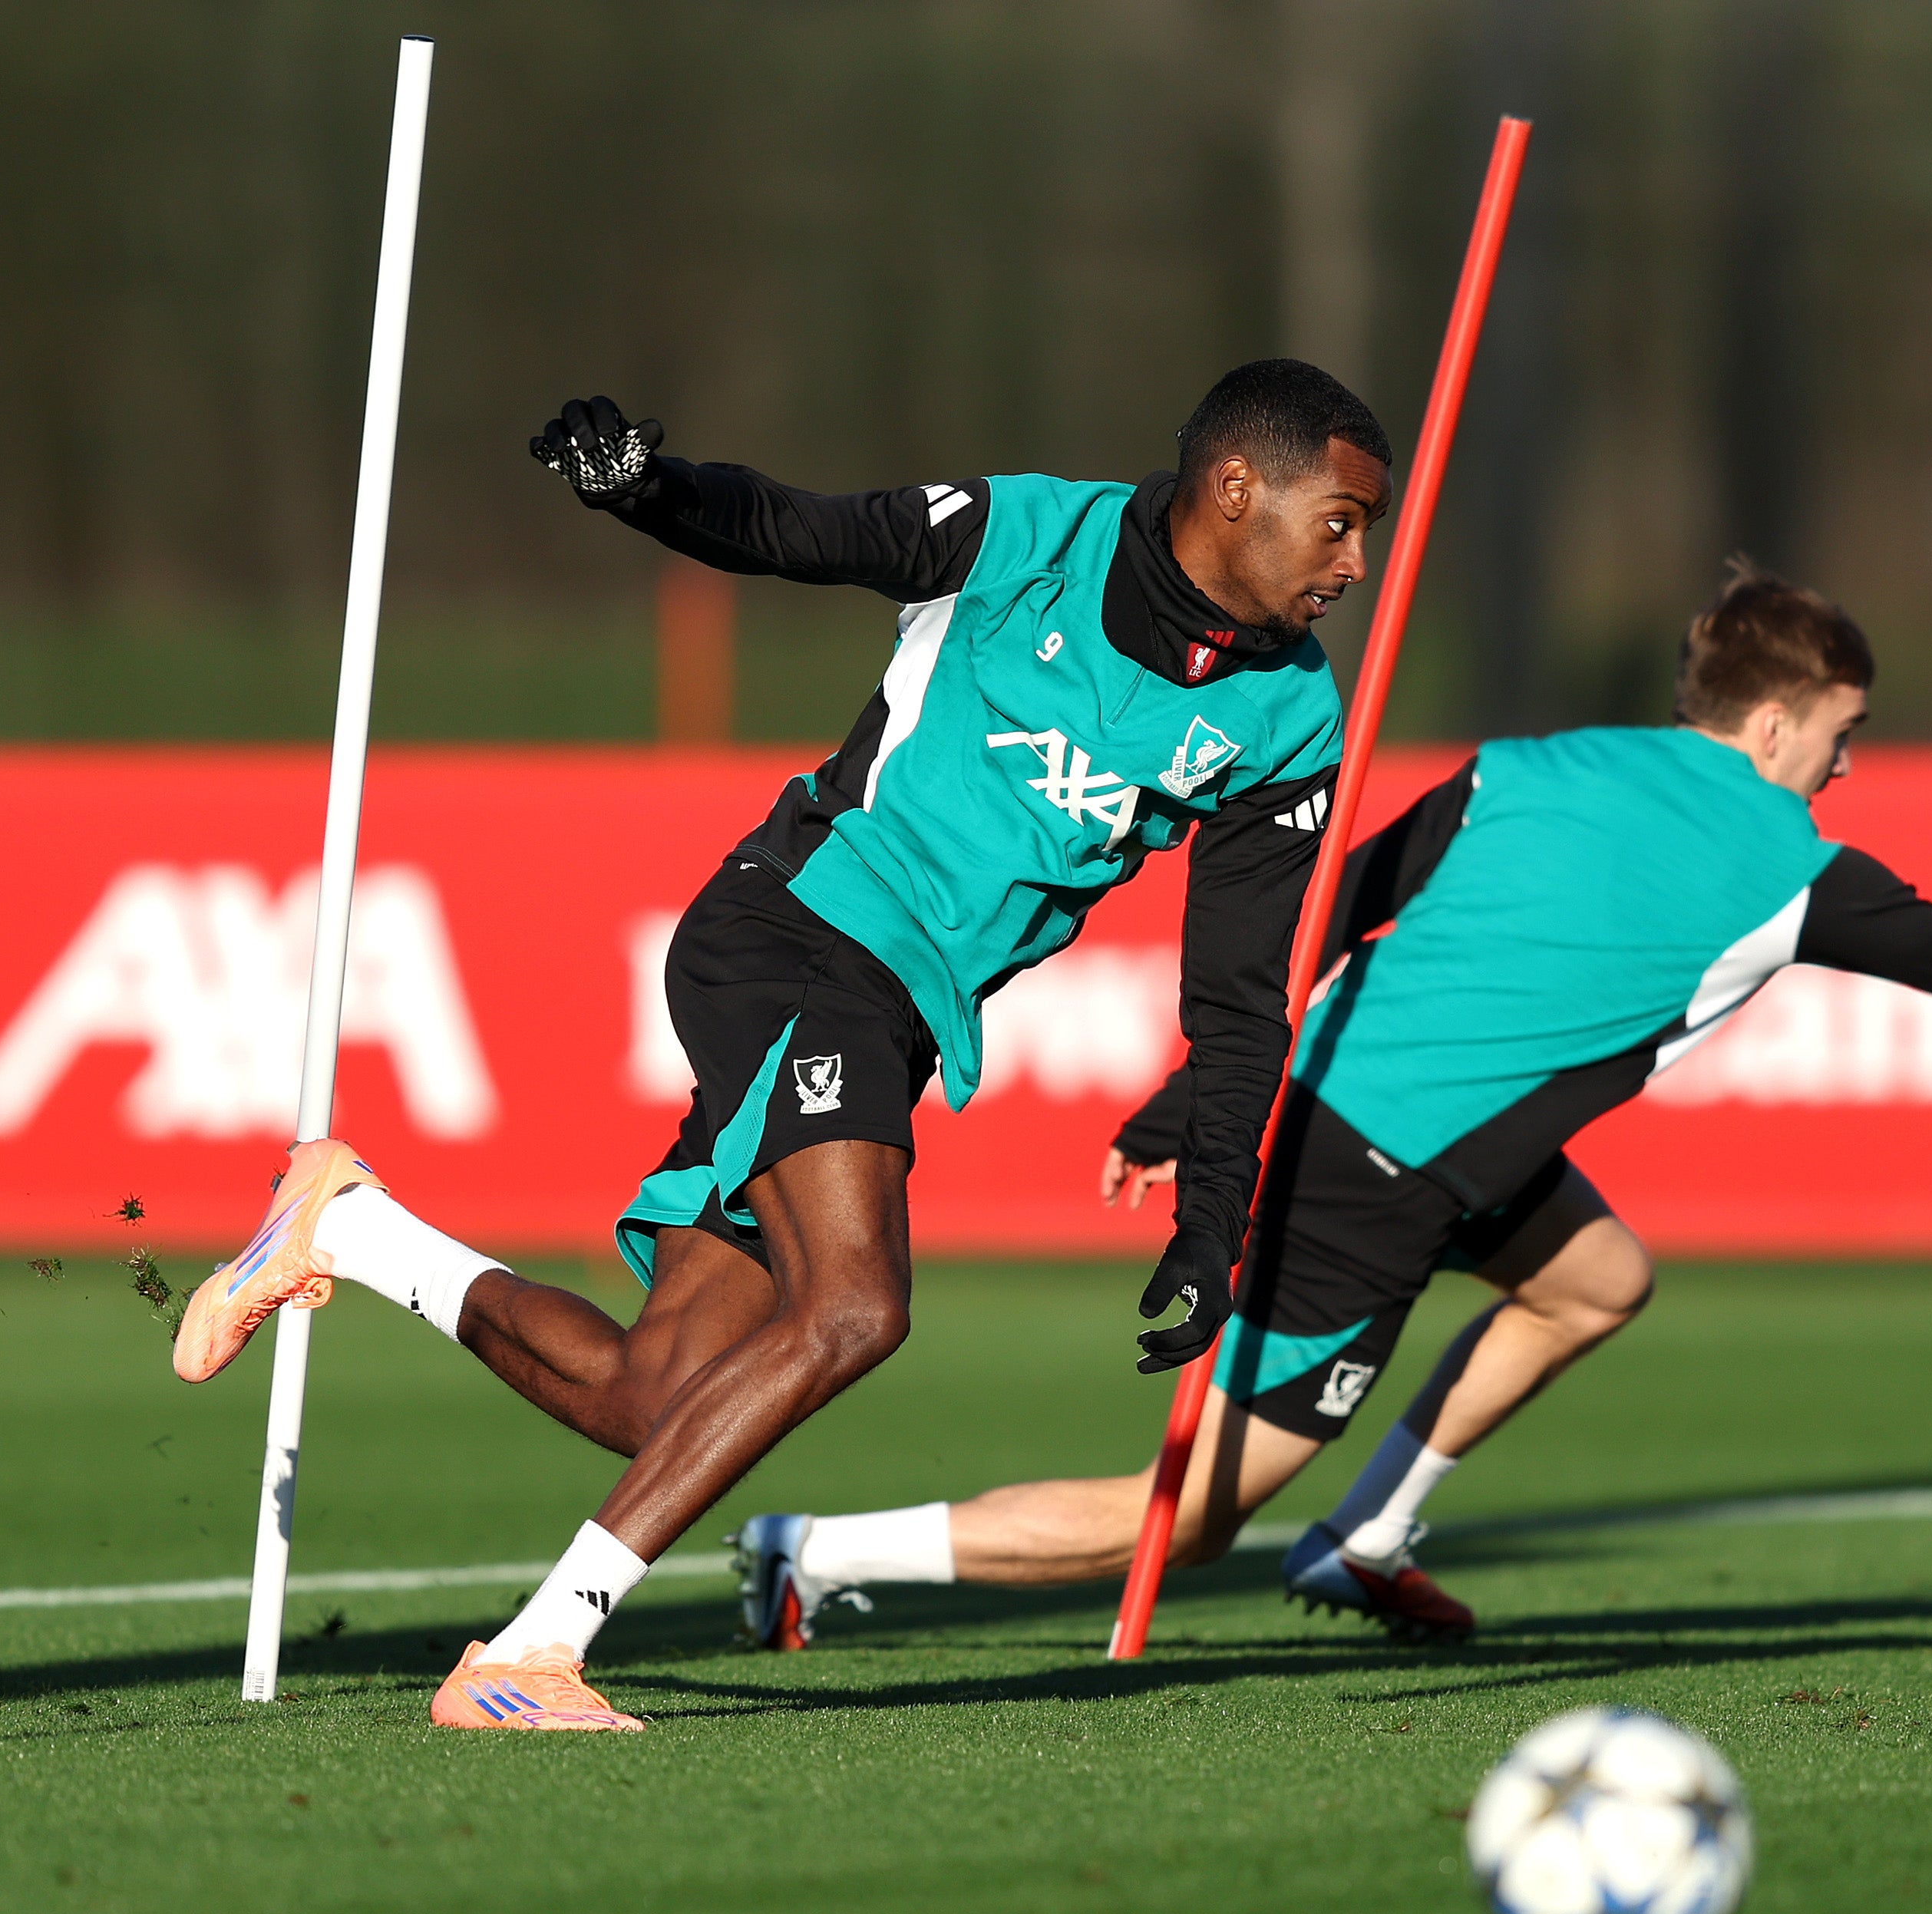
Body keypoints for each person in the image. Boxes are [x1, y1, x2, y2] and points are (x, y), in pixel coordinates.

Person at [732, 562, 1932, 1645]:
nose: (1847, 770)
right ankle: (812, 1549)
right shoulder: (1794, 868)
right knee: (1185, 1517)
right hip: (1365, 1175)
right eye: (1843, 738)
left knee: (1596, 1278)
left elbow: (1331, 908)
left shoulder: (1532, 762)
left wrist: (1188, 1094)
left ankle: (1368, 1539)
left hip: (1382, 1126)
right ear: (1781, 721)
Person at [163, 361, 1393, 1728]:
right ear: (1236, 488)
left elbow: (1236, 1000)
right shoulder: (1020, 536)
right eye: (1339, 520)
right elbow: (794, 528)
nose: (1354, 560)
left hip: (902, 1011)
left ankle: (350, 1229)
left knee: (659, 1396)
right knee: (858, 1305)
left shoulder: (1289, 715)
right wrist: (644, 491)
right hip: (804, 929)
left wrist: (1210, 1223)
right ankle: (530, 1655)